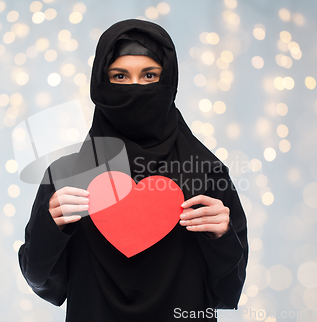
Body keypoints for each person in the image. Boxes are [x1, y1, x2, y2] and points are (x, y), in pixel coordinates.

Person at [18, 19, 248, 322]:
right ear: (99, 83)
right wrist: (51, 227)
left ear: (170, 82)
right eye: (119, 76)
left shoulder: (207, 173)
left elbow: (227, 290)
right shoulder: (67, 175)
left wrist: (223, 237)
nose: (135, 88)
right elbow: (45, 284)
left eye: (150, 75)